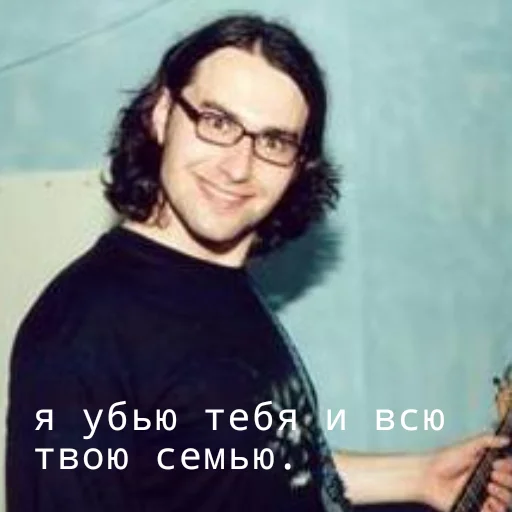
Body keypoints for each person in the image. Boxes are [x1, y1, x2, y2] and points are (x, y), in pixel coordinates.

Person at [6, 14, 512, 512]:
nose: (238, 167)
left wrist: (420, 476)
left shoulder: (222, 283)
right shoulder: (83, 330)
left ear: (298, 166)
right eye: (218, 122)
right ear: (162, 115)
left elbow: (248, 467)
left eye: (273, 141)